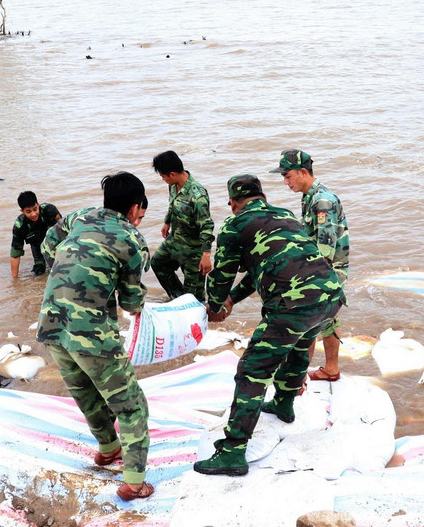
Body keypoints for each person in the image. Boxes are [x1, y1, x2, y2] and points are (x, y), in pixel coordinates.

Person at [193, 175, 345, 476]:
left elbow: (222, 275)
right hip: (330, 296)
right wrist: (233, 300)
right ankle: (284, 405)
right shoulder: (285, 216)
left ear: (233, 202)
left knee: (252, 370)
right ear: (261, 195)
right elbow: (259, 268)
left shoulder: (235, 226)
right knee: (299, 347)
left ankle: (233, 451)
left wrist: (217, 305)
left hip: (292, 307)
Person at [37, 172, 154, 501]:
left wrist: (62, 271)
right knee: (131, 406)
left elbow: (48, 243)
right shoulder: (132, 240)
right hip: (91, 335)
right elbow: (132, 302)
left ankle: (107, 449)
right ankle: (134, 482)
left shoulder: (80, 215)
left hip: (52, 323)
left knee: (86, 392)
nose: (140, 220)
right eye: (141, 214)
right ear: (134, 208)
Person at [270, 150, 350, 383]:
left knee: (309, 320)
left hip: (327, 270)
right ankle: (331, 369)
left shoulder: (322, 201)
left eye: (288, 176)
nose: (285, 182)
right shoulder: (310, 197)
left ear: (303, 172)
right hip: (324, 269)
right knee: (328, 319)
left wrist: (309, 283)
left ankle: (298, 378)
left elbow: (325, 250)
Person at [150, 150, 214, 301]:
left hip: (193, 250)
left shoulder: (197, 195)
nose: (163, 179)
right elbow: (172, 204)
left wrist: (206, 255)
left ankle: (196, 314)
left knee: (194, 296)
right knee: (158, 263)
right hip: (175, 240)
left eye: (163, 176)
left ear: (172, 174)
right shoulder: (173, 185)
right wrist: (167, 222)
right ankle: (177, 299)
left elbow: (206, 225)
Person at [10, 191, 61, 278]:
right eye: (28, 211)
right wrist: (14, 281)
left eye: (35, 209)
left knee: (59, 266)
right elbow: (15, 254)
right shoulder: (20, 226)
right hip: (36, 243)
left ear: (38, 204)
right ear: (22, 211)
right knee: (39, 271)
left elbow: (63, 231)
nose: (33, 214)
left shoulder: (49, 210)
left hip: (54, 239)